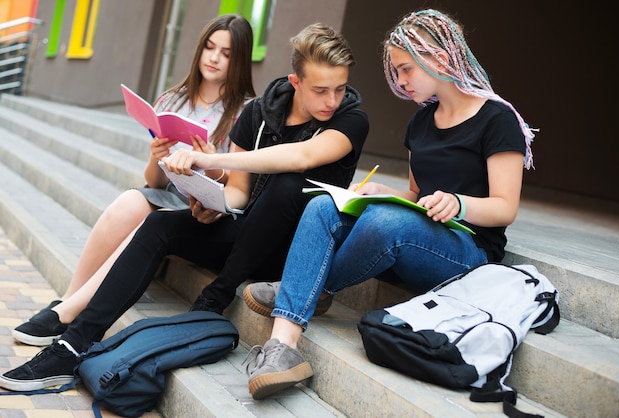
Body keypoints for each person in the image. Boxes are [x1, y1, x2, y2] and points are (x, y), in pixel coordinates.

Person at [0, 22, 368, 391]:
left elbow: (301, 156)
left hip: (292, 256)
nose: (332, 101)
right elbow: (240, 192)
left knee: (288, 184)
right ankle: (70, 346)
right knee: (159, 224)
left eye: (340, 88)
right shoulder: (258, 112)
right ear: (295, 81)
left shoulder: (351, 119)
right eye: (321, 90)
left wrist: (208, 160)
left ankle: (215, 296)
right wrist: (216, 201)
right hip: (247, 234)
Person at [241, 8, 536, 400]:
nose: (399, 81)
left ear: (440, 60)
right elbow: (415, 197)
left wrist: (459, 204)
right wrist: (383, 192)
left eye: (405, 70)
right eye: (396, 71)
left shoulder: (496, 119)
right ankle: (282, 349)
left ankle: (308, 287)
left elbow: (505, 208)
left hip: (467, 253)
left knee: (386, 224)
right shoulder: (421, 122)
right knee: (323, 206)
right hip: (410, 240)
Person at [10, 14, 256, 348]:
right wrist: (157, 153)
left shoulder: (246, 112)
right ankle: (66, 302)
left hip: (204, 210)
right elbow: (153, 179)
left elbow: (240, 188)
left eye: (226, 53)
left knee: (150, 222)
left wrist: (212, 164)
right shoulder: (173, 100)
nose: (213, 58)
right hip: (170, 193)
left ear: (239, 59)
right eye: (210, 47)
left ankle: (69, 314)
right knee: (129, 200)